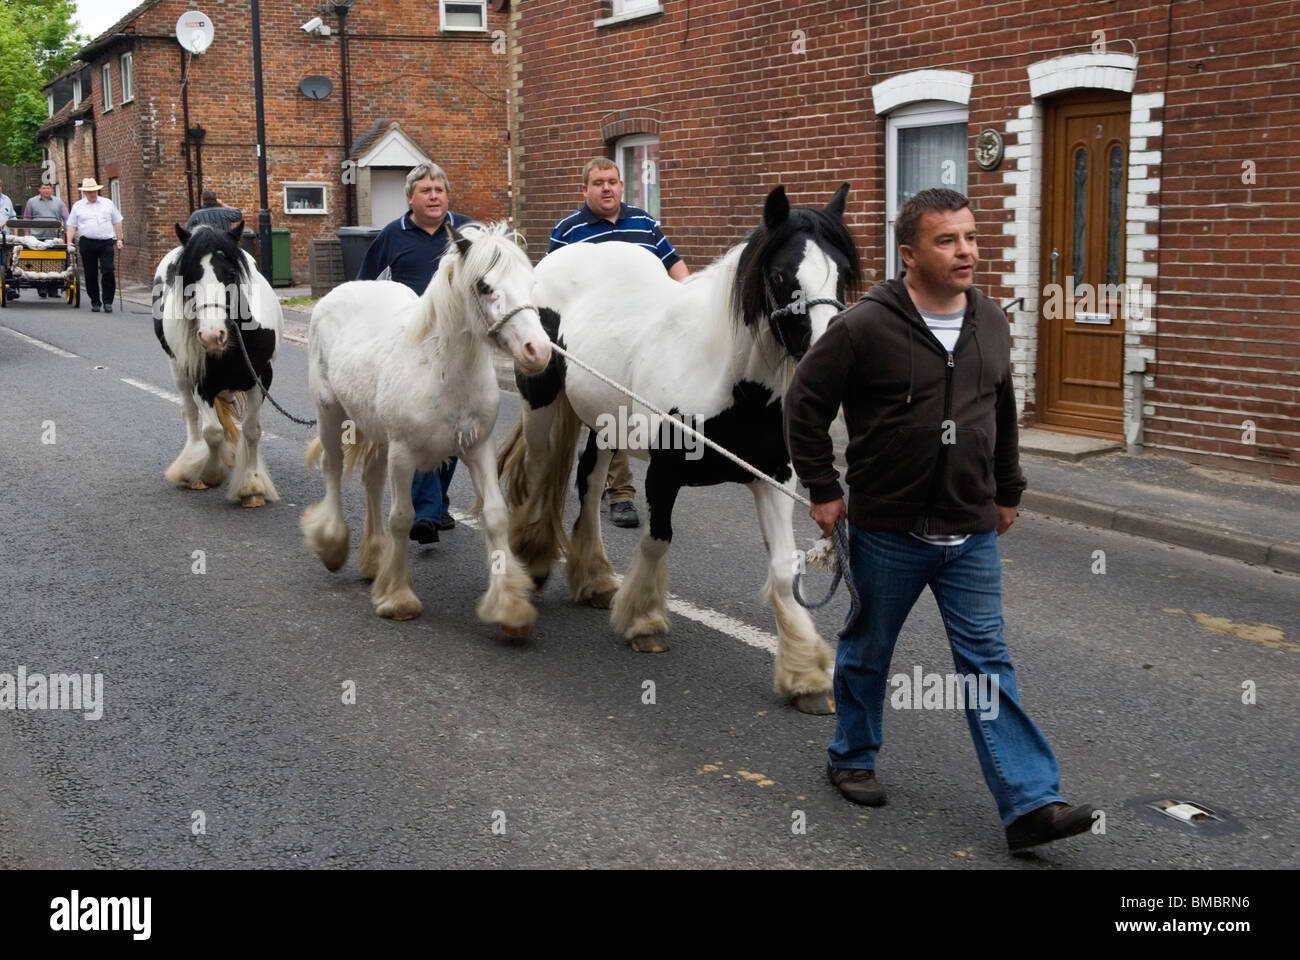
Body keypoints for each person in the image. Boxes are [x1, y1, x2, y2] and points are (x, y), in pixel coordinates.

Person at [783, 187, 1096, 852]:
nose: (967, 252)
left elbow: (1002, 409)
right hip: (888, 529)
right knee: (869, 651)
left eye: (971, 238)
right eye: (947, 240)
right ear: (909, 254)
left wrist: (1008, 487)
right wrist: (822, 485)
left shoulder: (991, 318)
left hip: (970, 531)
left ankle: (1031, 804)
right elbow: (804, 404)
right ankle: (852, 755)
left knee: (989, 665)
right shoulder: (865, 325)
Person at [545, 157, 689, 529]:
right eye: (598, 183)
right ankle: (621, 494)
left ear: (621, 186)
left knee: (638, 411)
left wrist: (689, 298)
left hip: (648, 333)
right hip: (597, 338)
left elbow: (674, 265)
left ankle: (631, 480)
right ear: (585, 190)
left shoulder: (644, 222)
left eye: (612, 181)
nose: (607, 188)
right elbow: (550, 287)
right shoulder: (567, 231)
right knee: (614, 411)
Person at [357, 161, 471, 545]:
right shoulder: (392, 236)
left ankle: (435, 503)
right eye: (426, 191)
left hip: (458, 347)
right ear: (410, 198)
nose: (434, 196)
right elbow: (367, 286)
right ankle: (426, 510)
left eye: (439, 190)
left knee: (453, 425)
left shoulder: (466, 232)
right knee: (422, 424)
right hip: (413, 347)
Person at [65, 177, 124, 314]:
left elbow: (117, 221)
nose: (92, 194)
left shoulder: (107, 203)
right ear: (85, 192)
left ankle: (108, 301)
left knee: (108, 270)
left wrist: (119, 239)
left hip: (106, 242)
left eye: (95, 191)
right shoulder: (78, 206)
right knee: (90, 273)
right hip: (87, 242)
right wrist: (69, 242)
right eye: (89, 192)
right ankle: (95, 301)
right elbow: (71, 226)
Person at [22, 183, 71, 297]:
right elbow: (27, 218)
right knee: (39, 263)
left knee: (54, 263)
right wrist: (27, 235)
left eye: (48, 188)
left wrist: (68, 232)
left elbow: (66, 217)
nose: (46, 190)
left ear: (51, 190)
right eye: (44, 188)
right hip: (37, 237)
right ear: (39, 189)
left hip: (54, 237)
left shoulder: (58, 202)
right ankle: (41, 288)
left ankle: (53, 289)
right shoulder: (32, 202)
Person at [0, 179, 16, 299]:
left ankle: (10, 288)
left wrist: (16, 236)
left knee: (9, 263)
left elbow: (12, 217)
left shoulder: (6, 200)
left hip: (6, 237)